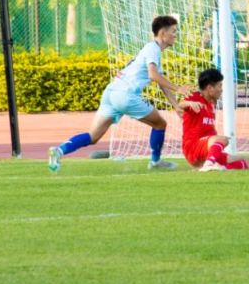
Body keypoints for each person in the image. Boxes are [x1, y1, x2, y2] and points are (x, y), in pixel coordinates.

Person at [48, 15, 192, 172]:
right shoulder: (153, 49)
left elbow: (160, 81)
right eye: (173, 31)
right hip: (126, 94)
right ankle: (156, 162)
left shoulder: (151, 50)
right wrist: (178, 88)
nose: (175, 35)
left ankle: (59, 151)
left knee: (93, 136)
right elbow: (153, 75)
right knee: (160, 124)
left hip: (112, 92)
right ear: (163, 34)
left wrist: (176, 106)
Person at [179, 68, 249, 171]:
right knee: (221, 139)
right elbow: (180, 105)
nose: (221, 89)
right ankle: (208, 165)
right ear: (209, 88)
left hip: (206, 148)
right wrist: (190, 103)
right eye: (219, 86)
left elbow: (208, 129)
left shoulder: (211, 104)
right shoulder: (196, 97)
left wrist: (217, 138)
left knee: (246, 161)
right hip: (193, 147)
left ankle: (220, 167)